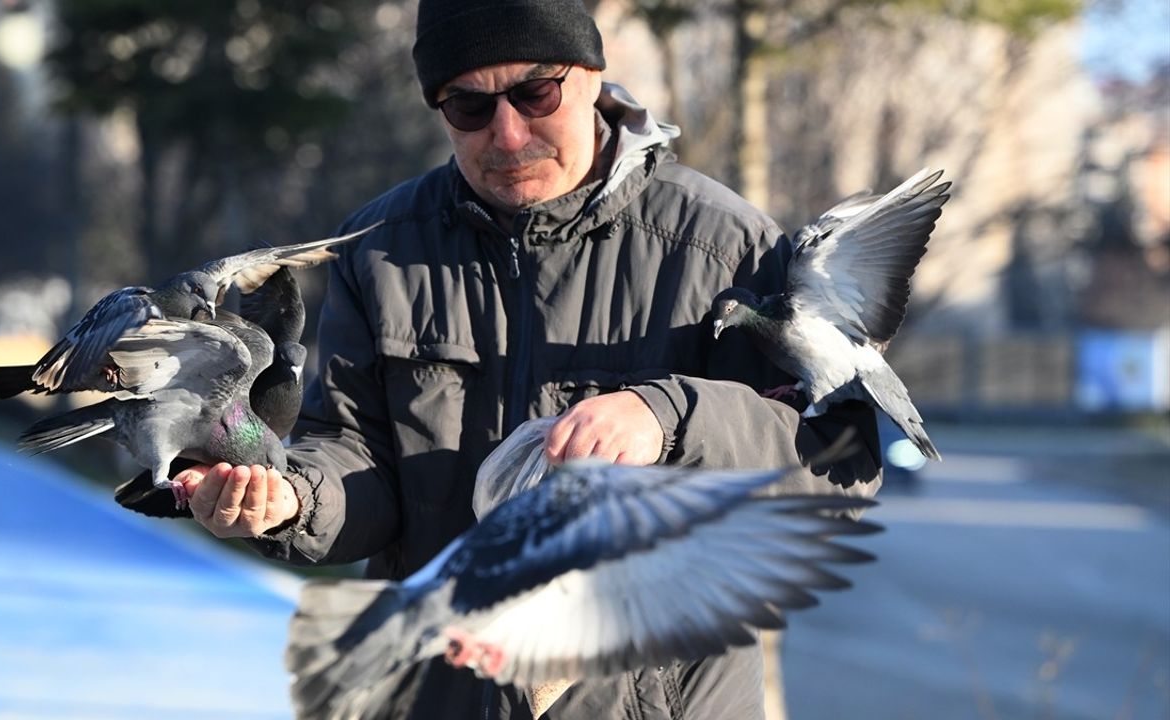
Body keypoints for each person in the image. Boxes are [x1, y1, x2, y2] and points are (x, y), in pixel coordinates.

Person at [171, 0, 881, 717]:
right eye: (469, 108)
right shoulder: (380, 249)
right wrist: (294, 500)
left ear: (590, 76)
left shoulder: (726, 248)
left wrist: (671, 418)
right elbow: (360, 457)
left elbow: (840, 472)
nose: (507, 135)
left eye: (535, 93)